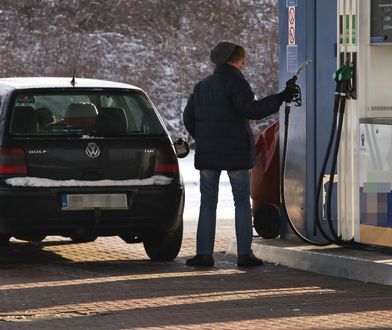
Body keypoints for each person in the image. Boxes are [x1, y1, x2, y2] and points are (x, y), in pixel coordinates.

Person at [183, 40, 296, 267]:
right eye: (242, 58)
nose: (244, 62)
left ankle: (203, 254)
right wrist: (281, 97)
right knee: (242, 202)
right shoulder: (237, 83)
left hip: (208, 155)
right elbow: (252, 110)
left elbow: (188, 118)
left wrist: (205, 139)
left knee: (207, 203)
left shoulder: (201, 86)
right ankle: (245, 254)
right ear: (234, 60)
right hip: (236, 154)